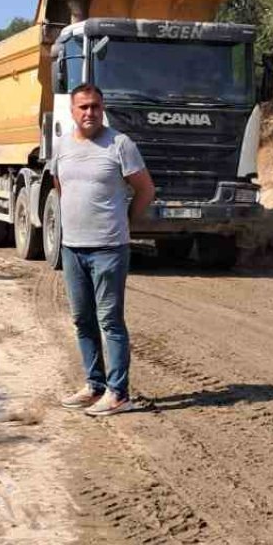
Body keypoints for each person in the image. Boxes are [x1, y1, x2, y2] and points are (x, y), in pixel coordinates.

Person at [52, 83, 156, 417]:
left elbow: (145, 190)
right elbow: (60, 185)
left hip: (109, 248)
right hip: (72, 248)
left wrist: (124, 222)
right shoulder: (63, 146)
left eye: (95, 106)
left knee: (110, 320)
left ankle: (119, 393)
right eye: (82, 107)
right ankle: (94, 384)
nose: (89, 112)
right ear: (71, 110)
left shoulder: (119, 144)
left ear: (103, 108)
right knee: (82, 319)